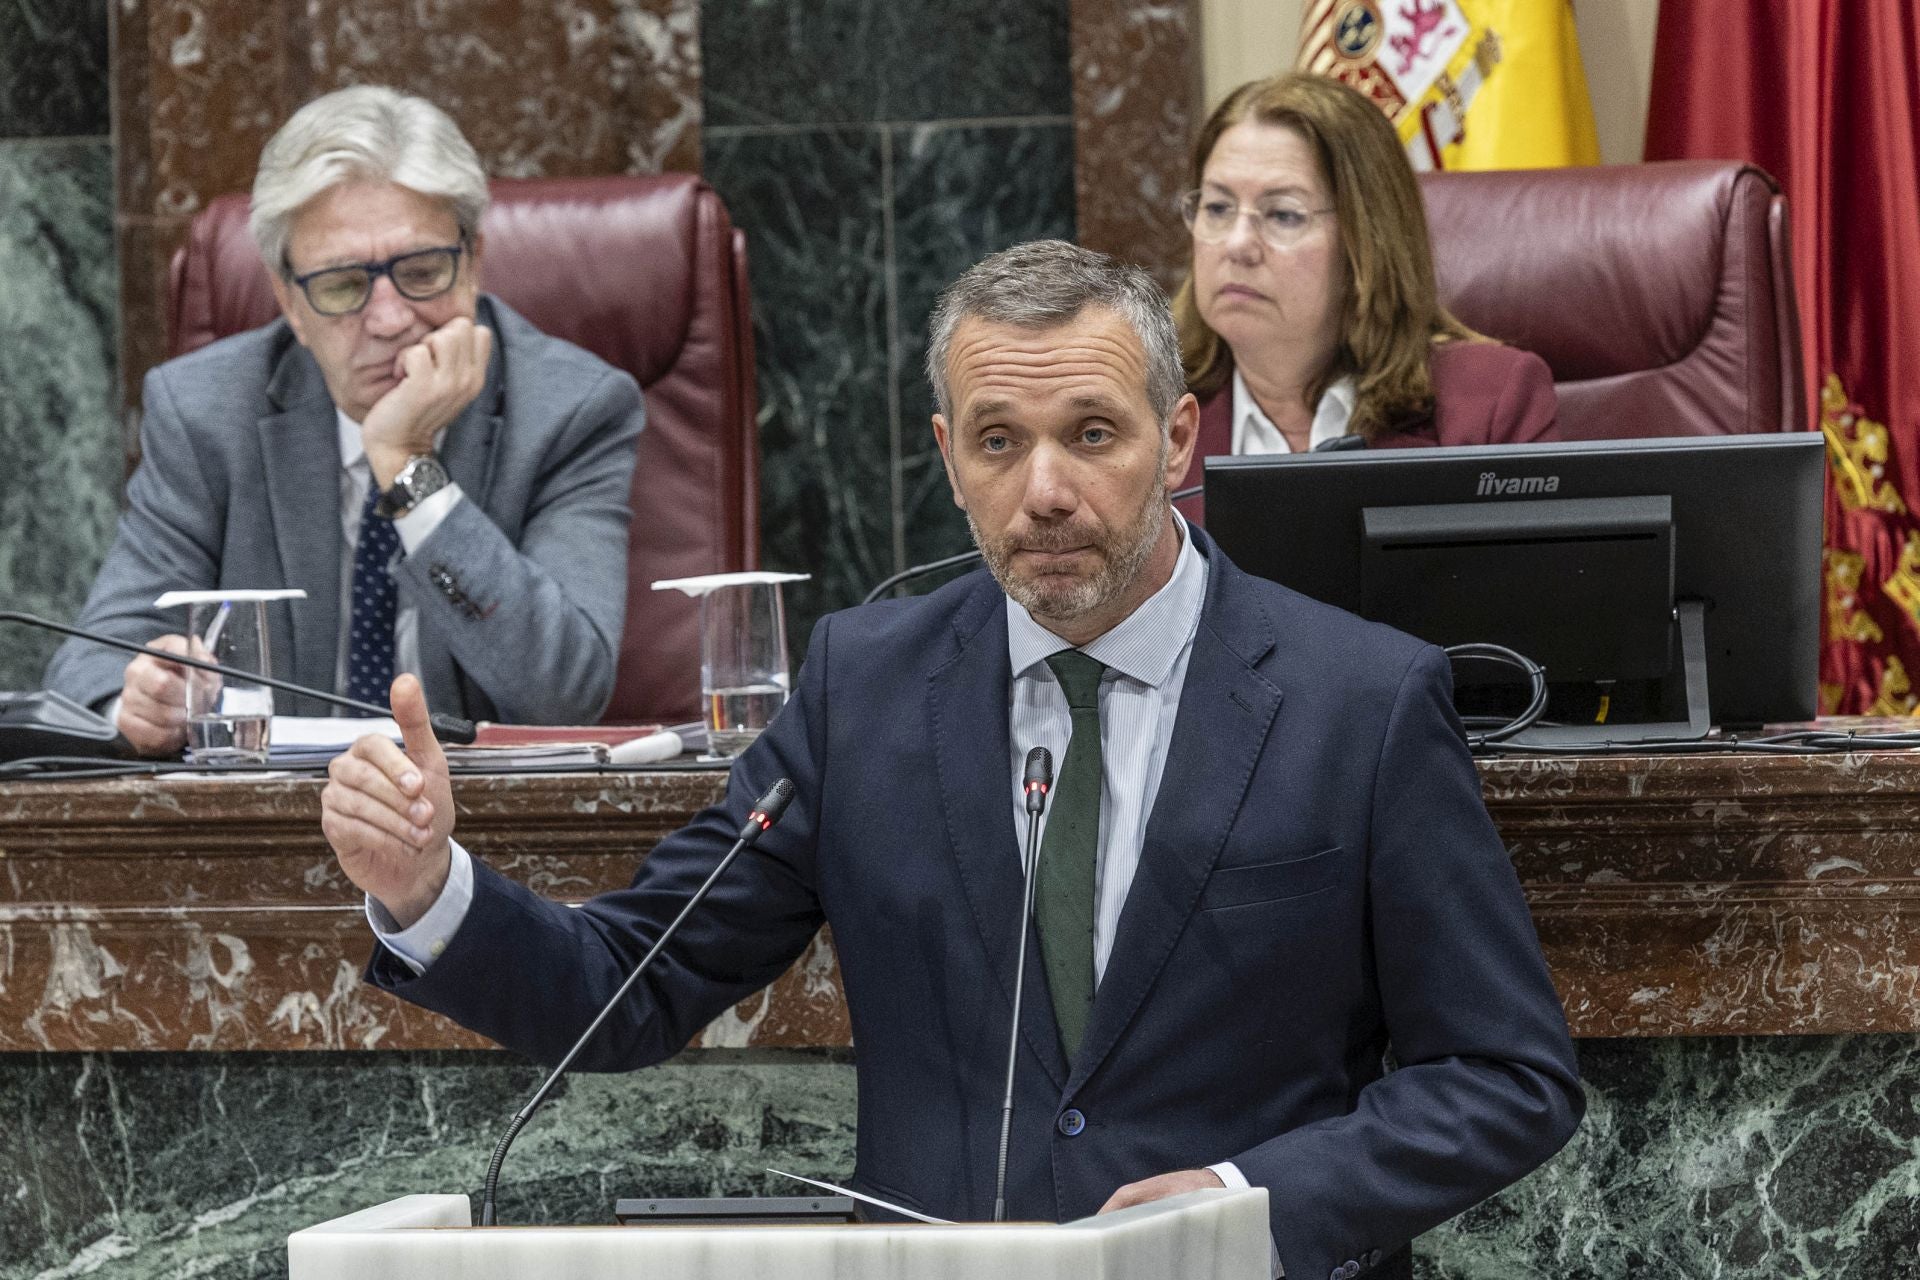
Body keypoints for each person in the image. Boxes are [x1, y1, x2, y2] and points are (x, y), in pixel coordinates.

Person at [320, 240, 1582, 1280]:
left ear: (1182, 435)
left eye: (1092, 432)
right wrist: (431, 887)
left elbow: (1507, 1072)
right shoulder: (864, 688)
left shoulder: (1358, 697)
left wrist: (1247, 1198)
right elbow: (627, 986)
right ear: (946, 454)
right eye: (998, 441)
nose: (1044, 488)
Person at [44, 86, 643, 751]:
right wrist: (142, 700)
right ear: (288, 300)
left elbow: (566, 690)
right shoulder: (206, 413)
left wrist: (410, 467)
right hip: (266, 826)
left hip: (483, 824)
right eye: (340, 286)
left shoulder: (572, 411)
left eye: (421, 271)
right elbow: (87, 667)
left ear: (472, 263)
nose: (389, 319)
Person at [1172, 73, 1559, 524]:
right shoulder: (1149, 411)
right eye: (1218, 208)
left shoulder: (1489, 407)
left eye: (1282, 214)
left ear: (1367, 240)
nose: (1237, 244)